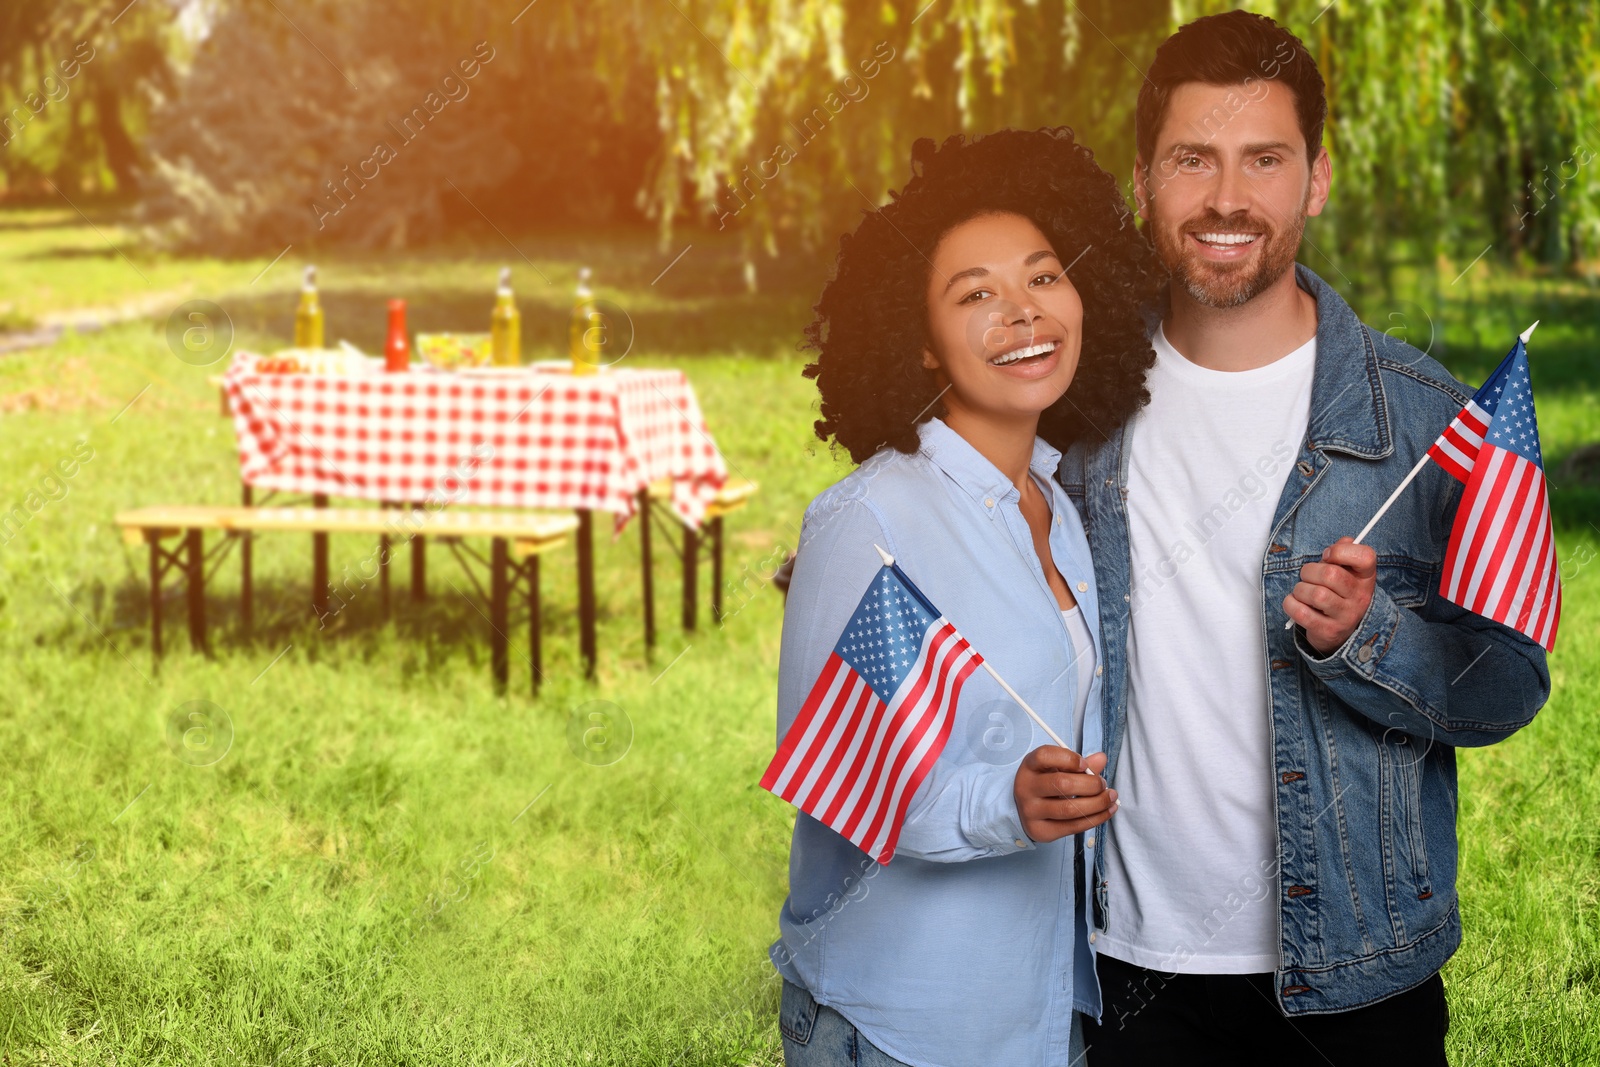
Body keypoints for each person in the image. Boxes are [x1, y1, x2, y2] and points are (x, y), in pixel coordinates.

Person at [1058, 11, 1553, 1066]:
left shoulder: (1425, 422)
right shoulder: (1072, 406)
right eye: (1193, 158)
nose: (1227, 198)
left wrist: (1368, 639)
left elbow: (1506, 686)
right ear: (1143, 179)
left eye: (1264, 160)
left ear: (1315, 179)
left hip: (1357, 977)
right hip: (1117, 964)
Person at [768, 127, 1162, 1067]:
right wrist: (1006, 803)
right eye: (975, 294)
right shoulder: (871, 519)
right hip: (897, 1028)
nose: (1023, 312)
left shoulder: (1058, 509)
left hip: (1037, 1022)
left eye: (1043, 276)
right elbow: (845, 783)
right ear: (923, 341)